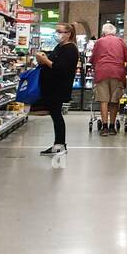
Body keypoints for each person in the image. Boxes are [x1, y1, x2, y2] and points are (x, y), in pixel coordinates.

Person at [35, 22, 80, 156]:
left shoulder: (70, 49)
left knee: (56, 115)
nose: (57, 34)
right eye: (56, 31)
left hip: (58, 88)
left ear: (68, 34)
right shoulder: (60, 47)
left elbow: (61, 69)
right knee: (55, 114)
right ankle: (59, 144)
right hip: (53, 87)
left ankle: (60, 144)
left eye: (60, 31)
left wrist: (45, 61)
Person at [90, 23, 127, 135]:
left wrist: (96, 68)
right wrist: (126, 70)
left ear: (103, 33)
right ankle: (112, 127)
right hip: (117, 73)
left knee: (104, 100)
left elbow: (93, 59)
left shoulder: (99, 42)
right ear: (115, 33)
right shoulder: (120, 41)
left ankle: (104, 128)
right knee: (114, 100)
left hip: (102, 72)